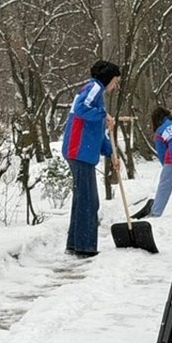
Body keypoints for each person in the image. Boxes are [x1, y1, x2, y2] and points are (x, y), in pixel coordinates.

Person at [61, 60, 121, 257]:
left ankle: (76, 244)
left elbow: (95, 132)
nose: (116, 86)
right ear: (109, 78)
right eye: (116, 81)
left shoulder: (95, 92)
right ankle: (85, 247)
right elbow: (81, 109)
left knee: (82, 199)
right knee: (89, 201)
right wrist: (104, 115)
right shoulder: (95, 87)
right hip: (79, 151)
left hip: (80, 151)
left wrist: (111, 152)